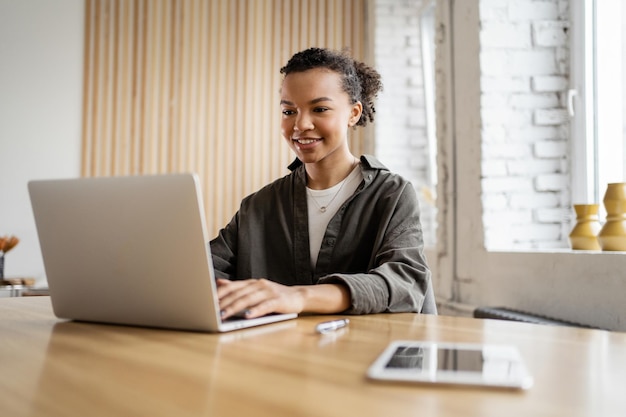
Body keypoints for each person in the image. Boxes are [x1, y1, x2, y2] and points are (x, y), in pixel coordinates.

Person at [211, 47, 437, 320]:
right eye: (288, 111)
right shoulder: (259, 205)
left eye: (320, 109)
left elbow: (405, 283)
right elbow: (204, 272)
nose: (301, 124)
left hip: (360, 356)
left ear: (353, 113)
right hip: (276, 356)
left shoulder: (392, 194)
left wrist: (297, 296)